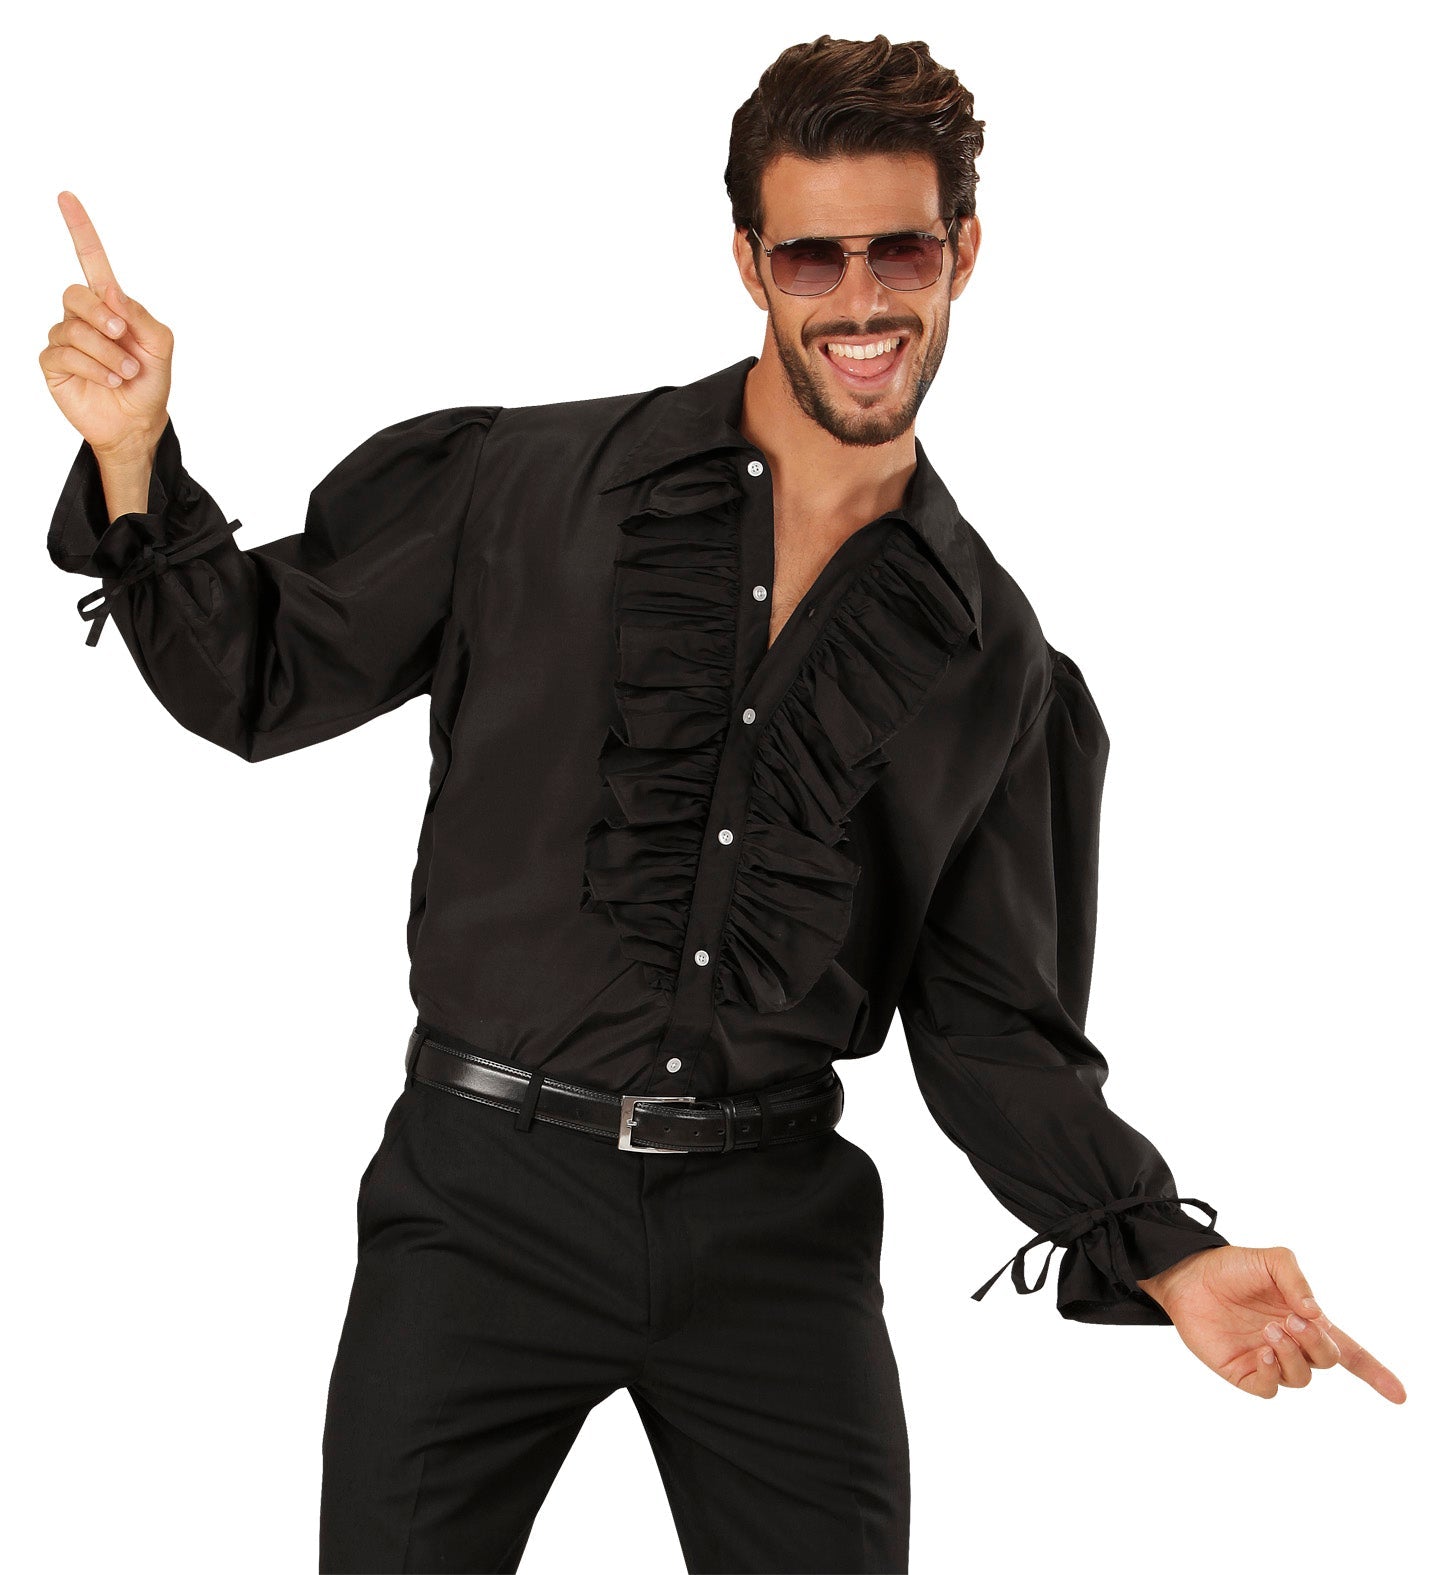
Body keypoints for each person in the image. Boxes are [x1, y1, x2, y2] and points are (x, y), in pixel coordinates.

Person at [40, 31, 1405, 1575]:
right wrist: (133, 456)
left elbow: (990, 1034)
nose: (860, 299)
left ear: (961, 253)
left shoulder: (991, 658)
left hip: (774, 1237)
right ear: (750, 263)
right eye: (812, 257)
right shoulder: (526, 486)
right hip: (480, 1205)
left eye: (899, 250)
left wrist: (1161, 1251)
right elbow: (258, 678)